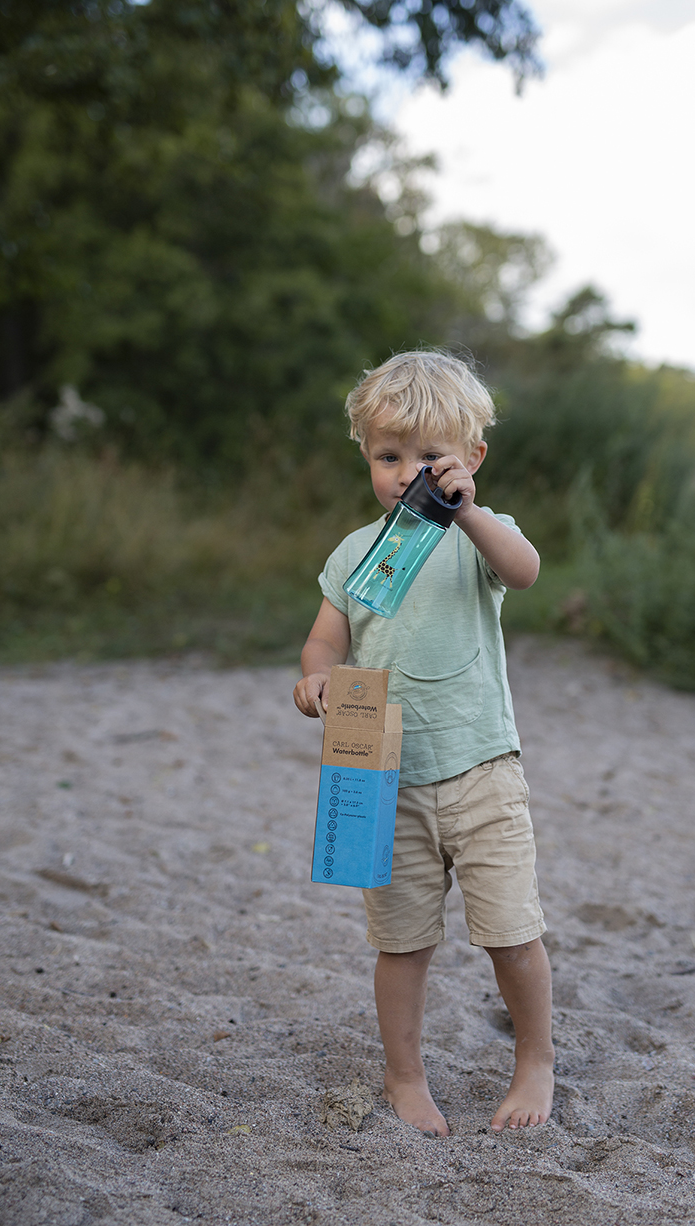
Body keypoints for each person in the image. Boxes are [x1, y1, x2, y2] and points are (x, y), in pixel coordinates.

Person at [293, 350, 553, 1136]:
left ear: (470, 459)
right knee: (401, 943)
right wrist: (316, 681)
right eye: (388, 457)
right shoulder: (352, 554)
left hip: (482, 770)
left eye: (429, 458)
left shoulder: (482, 536)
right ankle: (405, 1077)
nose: (408, 474)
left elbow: (529, 569)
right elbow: (321, 645)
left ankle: (535, 1058)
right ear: (367, 456)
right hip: (386, 779)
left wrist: (470, 511)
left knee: (512, 933)